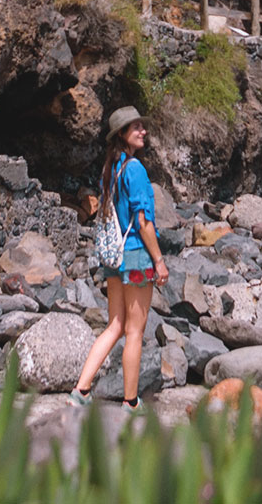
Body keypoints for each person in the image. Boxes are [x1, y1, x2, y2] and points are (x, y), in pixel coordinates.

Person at [70, 106, 168, 410]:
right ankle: (130, 401)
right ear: (122, 135)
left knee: (114, 325)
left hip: (113, 257)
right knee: (134, 331)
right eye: (135, 127)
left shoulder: (111, 168)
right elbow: (143, 222)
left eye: (141, 126)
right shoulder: (136, 169)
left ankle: (81, 390)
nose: (143, 131)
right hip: (137, 258)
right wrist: (160, 261)